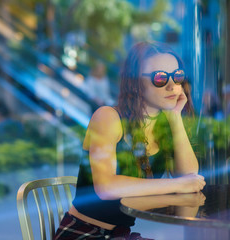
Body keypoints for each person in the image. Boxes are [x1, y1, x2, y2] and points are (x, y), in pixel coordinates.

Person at [54, 42, 206, 239]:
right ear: (134, 82)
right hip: (83, 233)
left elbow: (190, 175)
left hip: (120, 235)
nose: (172, 85)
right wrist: (178, 185)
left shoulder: (163, 124)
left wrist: (175, 116)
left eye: (177, 76)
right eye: (159, 78)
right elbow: (106, 187)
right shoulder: (108, 117)